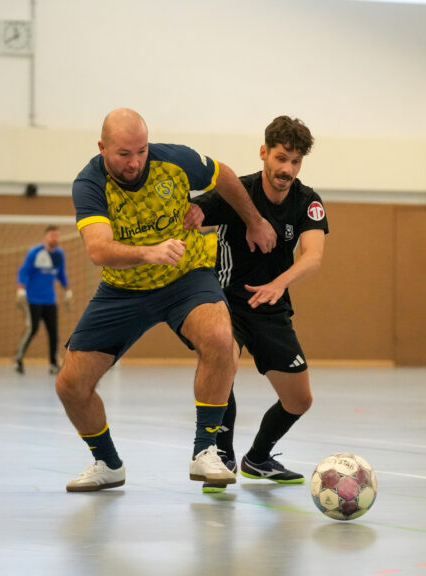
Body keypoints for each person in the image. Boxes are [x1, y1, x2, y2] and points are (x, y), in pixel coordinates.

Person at [57, 108, 277, 492]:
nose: (135, 162)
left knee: (222, 340)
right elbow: (99, 249)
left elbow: (223, 174)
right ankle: (107, 463)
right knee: (70, 385)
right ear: (102, 147)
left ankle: (205, 450)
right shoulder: (89, 184)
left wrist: (254, 221)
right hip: (123, 289)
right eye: (124, 153)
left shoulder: (174, 160)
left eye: (141, 150)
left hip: (185, 276)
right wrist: (148, 252)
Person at [185, 116, 327, 494]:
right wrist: (193, 215)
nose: (287, 169)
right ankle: (222, 454)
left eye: (295, 162)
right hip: (226, 300)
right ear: (264, 152)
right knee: (223, 364)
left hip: (272, 307)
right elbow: (193, 213)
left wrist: (278, 285)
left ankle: (258, 458)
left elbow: (312, 257)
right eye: (281, 158)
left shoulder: (307, 201)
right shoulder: (238, 192)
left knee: (300, 399)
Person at [13, 225, 73, 375]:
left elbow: (61, 275)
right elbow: (24, 271)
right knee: (32, 330)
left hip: (50, 300)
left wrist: (67, 290)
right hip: (33, 299)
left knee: (53, 332)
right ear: (46, 237)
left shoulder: (59, 255)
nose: (55, 239)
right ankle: (18, 359)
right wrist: (21, 288)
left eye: (57, 236)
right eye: (52, 236)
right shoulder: (35, 252)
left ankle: (53, 364)